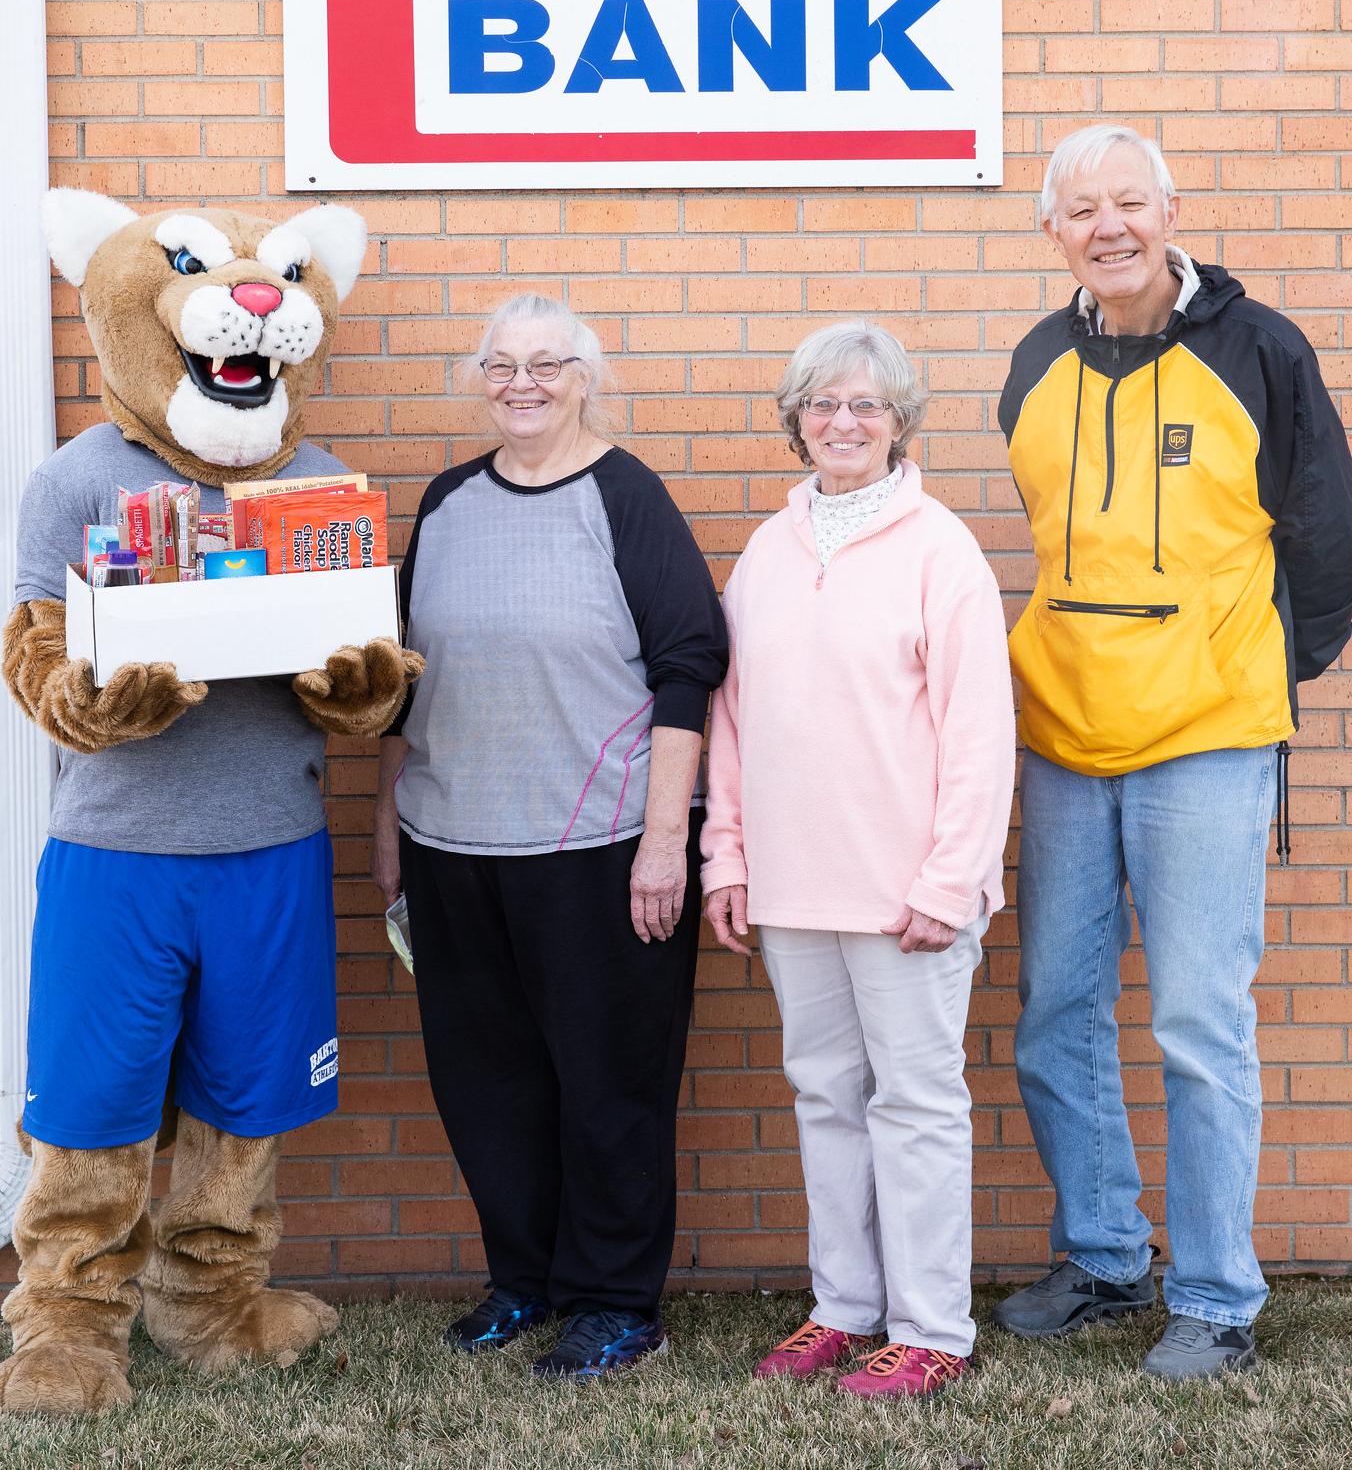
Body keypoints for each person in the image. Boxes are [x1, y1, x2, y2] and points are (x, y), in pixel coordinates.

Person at [993, 123, 1352, 1378]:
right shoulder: (1035, 361)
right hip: (1063, 737)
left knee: (1200, 1022)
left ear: (1169, 208)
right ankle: (1103, 1257)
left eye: (1128, 202)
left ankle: (1213, 1299)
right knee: (1054, 1012)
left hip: (1205, 737)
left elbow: (1323, 540)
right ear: (1052, 233)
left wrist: (1253, 672)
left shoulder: (1261, 350)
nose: (1108, 226)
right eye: (1080, 209)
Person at [371, 293, 727, 1380]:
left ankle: (615, 1302)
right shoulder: (443, 504)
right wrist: (388, 839)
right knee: (487, 1085)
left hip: (601, 853)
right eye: (500, 366)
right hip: (451, 847)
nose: (521, 384)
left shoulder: (624, 498)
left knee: (608, 1086)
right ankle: (523, 1281)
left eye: (545, 364)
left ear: (585, 377)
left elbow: (687, 668)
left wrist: (666, 839)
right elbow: (399, 687)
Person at [702, 321, 1015, 1401]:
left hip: (906, 897)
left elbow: (980, 734)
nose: (842, 423)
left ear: (898, 424)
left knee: (916, 1104)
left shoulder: (942, 550)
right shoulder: (767, 550)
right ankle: (843, 1307)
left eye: (865, 406)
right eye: (822, 405)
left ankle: (931, 1327)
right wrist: (724, 858)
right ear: (795, 422)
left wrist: (948, 879)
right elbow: (732, 720)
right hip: (792, 890)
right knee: (824, 1097)